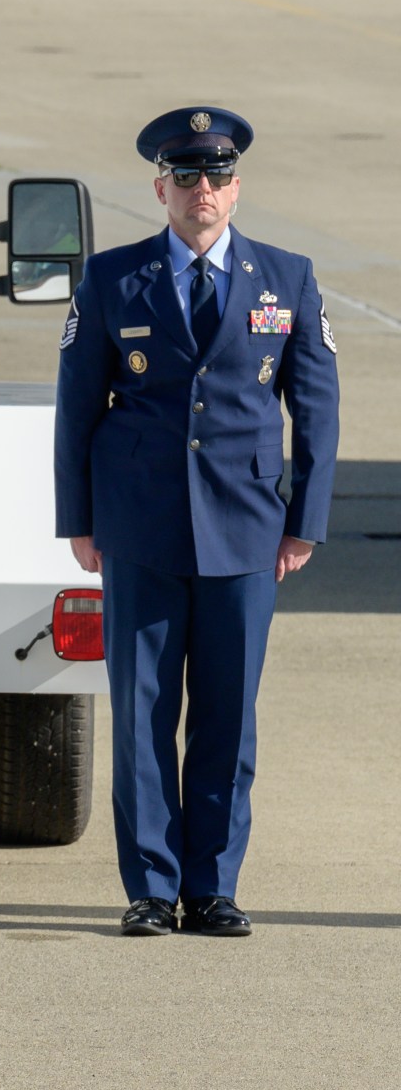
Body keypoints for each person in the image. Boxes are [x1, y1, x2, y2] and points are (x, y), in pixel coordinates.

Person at [55, 107, 339, 939]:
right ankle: (150, 886)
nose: (202, 191)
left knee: (225, 714)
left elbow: (314, 407)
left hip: (248, 531)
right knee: (141, 712)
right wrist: (78, 519)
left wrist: (305, 521)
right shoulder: (112, 279)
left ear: (237, 187)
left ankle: (213, 886)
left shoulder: (287, 278)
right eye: (186, 177)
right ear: (160, 188)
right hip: (140, 528)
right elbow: (77, 409)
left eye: (216, 176)